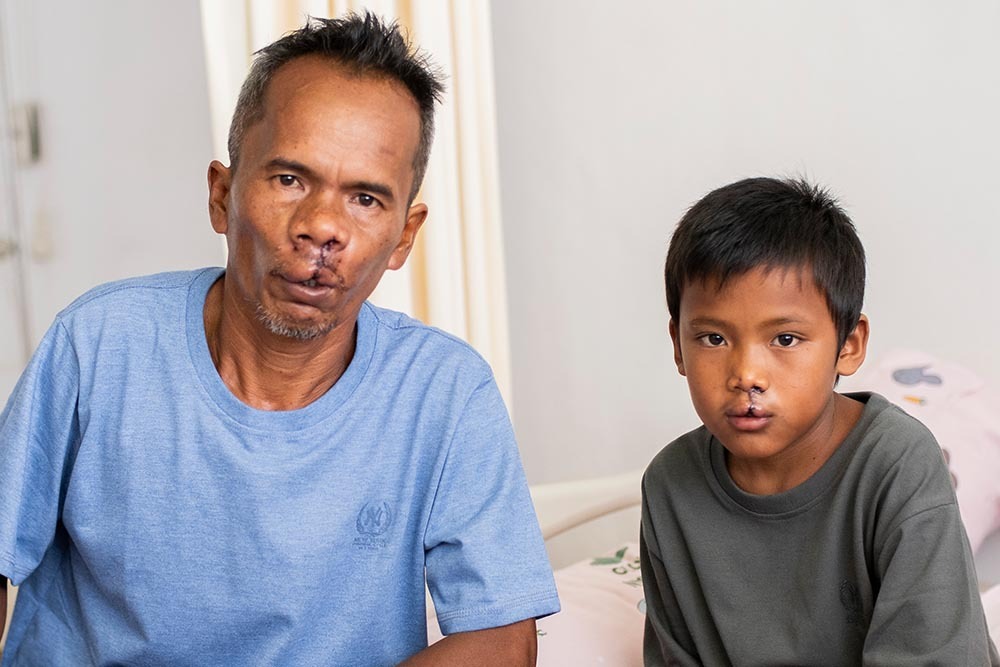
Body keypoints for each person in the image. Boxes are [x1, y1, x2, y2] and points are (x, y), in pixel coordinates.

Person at [0, 13, 558, 666]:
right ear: (222, 194)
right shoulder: (97, 347)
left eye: (367, 199)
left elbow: (501, 640)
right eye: (290, 178)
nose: (321, 226)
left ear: (404, 237)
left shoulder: (446, 392)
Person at [640, 177, 998, 665]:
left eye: (785, 340)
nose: (746, 375)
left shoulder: (897, 464)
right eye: (713, 339)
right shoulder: (670, 485)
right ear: (678, 345)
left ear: (849, 345)